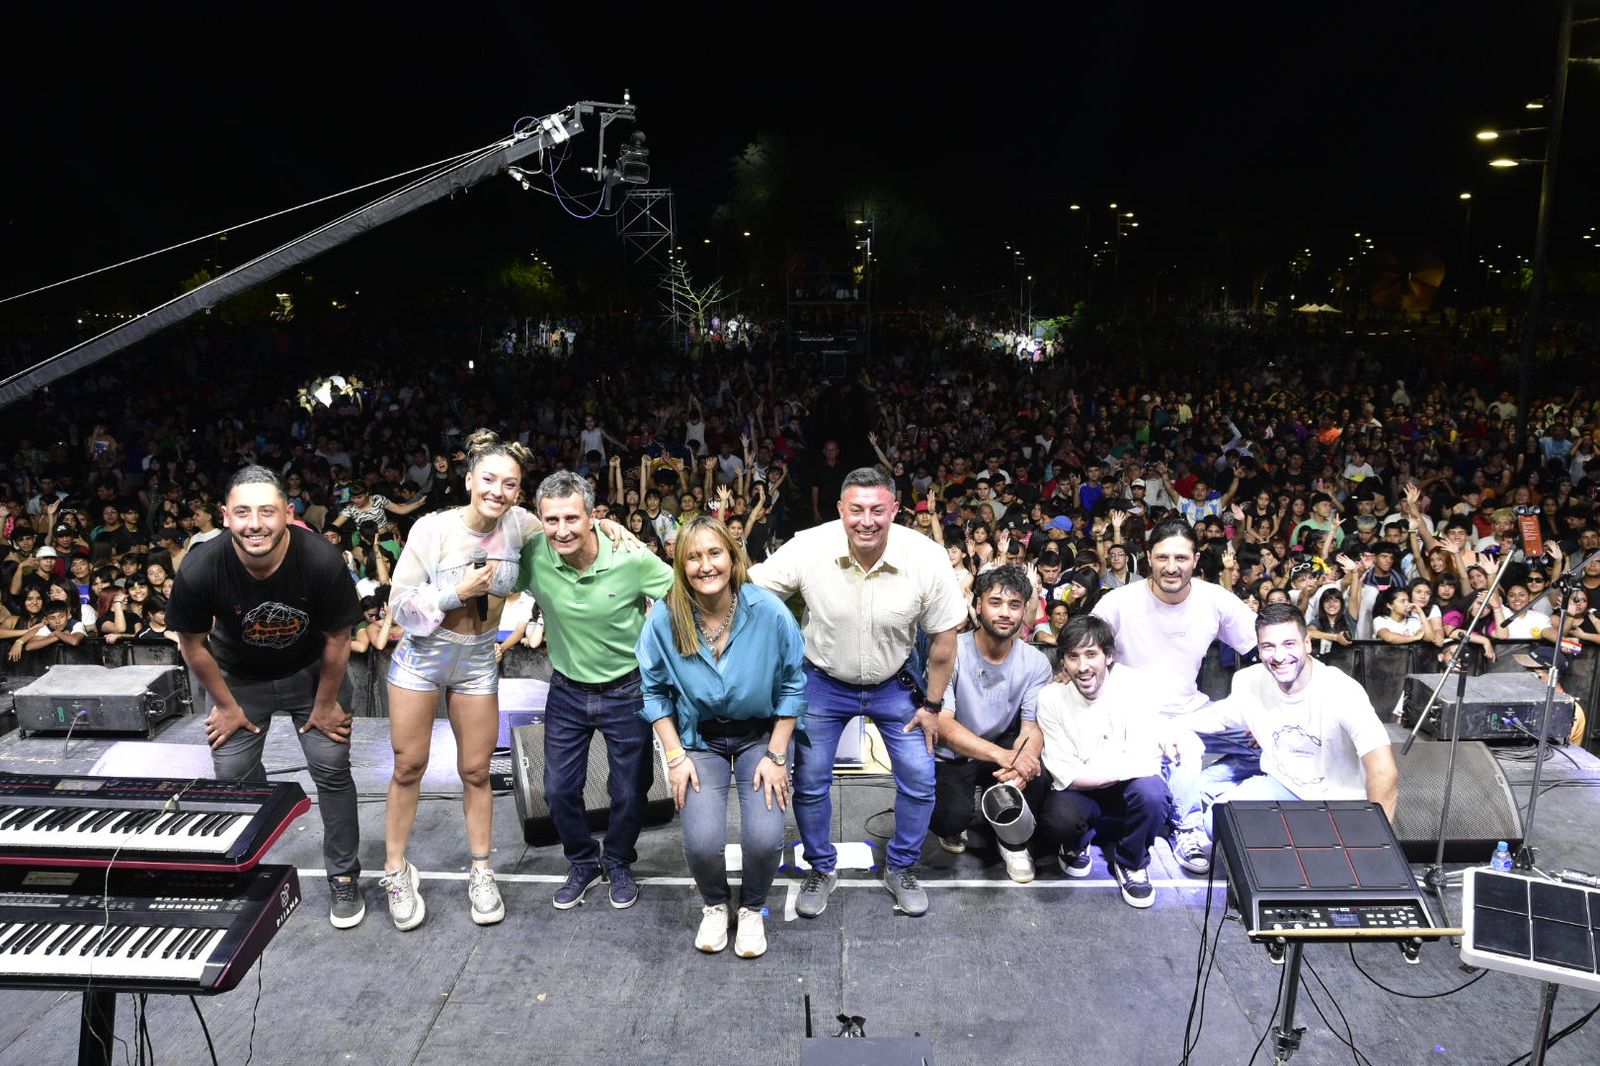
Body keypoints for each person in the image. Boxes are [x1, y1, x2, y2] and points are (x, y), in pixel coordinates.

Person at [751, 467, 966, 918]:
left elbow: (944, 642)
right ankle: (821, 867)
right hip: (823, 681)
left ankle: (901, 866)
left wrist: (932, 705)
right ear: (840, 511)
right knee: (810, 784)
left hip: (895, 683)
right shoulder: (810, 545)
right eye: (856, 510)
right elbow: (751, 588)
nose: (866, 521)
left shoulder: (926, 557)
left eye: (877, 510)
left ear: (895, 511)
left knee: (920, 779)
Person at [167, 466, 366, 929]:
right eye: (242, 512)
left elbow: (339, 638)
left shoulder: (320, 559)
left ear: (288, 514)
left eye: (266, 511)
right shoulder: (201, 567)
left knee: (332, 768)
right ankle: (242, 866)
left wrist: (324, 704)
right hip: (238, 680)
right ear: (224, 517)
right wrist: (227, 706)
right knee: (233, 775)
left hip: (312, 674)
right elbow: (192, 644)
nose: (254, 523)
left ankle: (343, 876)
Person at [378, 430, 538, 931]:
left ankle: (482, 870)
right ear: (469, 480)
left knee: (476, 771)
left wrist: (609, 531)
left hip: (476, 661)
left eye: (509, 484)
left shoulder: (522, 525)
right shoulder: (432, 528)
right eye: (488, 479)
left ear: (518, 491)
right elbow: (398, 605)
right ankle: (396, 870)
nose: (498, 490)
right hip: (422, 657)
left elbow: (569, 530)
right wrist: (454, 593)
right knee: (410, 766)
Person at [636, 516, 806, 958]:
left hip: (759, 740)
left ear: (733, 557)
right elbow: (653, 691)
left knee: (766, 838)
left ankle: (750, 909)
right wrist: (675, 757)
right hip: (699, 740)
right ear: (679, 564)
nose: (705, 565)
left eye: (714, 553)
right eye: (693, 557)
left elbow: (793, 684)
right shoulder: (665, 618)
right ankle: (715, 904)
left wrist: (777, 754)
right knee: (703, 842)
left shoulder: (767, 610)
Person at [518, 470, 674, 911]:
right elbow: (494, 546)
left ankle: (620, 860)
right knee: (558, 789)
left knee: (630, 789)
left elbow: (679, 596)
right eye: (551, 520)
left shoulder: (630, 555)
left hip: (628, 689)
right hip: (567, 690)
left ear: (592, 516)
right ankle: (583, 862)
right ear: (540, 520)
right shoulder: (533, 555)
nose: (561, 530)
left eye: (572, 518)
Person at [1091, 517, 1258, 876]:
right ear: (1149, 557)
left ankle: (1192, 791)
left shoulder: (1215, 599)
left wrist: (1263, 716)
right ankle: (1188, 827)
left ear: (1195, 560)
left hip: (1191, 709)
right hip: (1134, 716)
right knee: (1187, 749)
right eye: (1163, 557)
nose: (1171, 567)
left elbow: (1260, 650)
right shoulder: (1119, 602)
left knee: (1271, 747)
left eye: (1181, 558)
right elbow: (1084, 654)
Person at [1180, 603, 1399, 832]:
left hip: (1338, 801)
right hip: (1281, 786)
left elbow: (1384, 771)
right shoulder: (1249, 680)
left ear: (1307, 644)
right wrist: (1167, 728)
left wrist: (1376, 843)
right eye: (1268, 646)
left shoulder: (1342, 691)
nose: (1279, 656)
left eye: (1289, 644)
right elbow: (1219, 717)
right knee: (1216, 823)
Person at [1034, 615, 1177, 909]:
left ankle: (1132, 861)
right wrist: (1121, 762)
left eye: (1091, 654)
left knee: (1153, 794)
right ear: (1063, 662)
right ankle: (1078, 839)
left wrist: (1090, 765)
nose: (1082, 666)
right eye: (1073, 656)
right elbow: (1066, 775)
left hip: (1119, 785)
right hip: (1082, 789)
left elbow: (1147, 761)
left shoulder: (1135, 686)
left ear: (1109, 656)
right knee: (1058, 819)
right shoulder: (1050, 697)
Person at [929, 564, 1052, 883]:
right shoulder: (951, 651)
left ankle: (1012, 841)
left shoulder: (1036, 662)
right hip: (957, 752)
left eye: (1014, 605)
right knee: (950, 818)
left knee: (1037, 774)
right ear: (977, 604)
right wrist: (1002, 755)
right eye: (995, 602)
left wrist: (1022, 762)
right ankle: (954, 825)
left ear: (1025, 610)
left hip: (1004, 744)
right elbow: (943, 724)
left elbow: (1031, 727)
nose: (1005, 613)